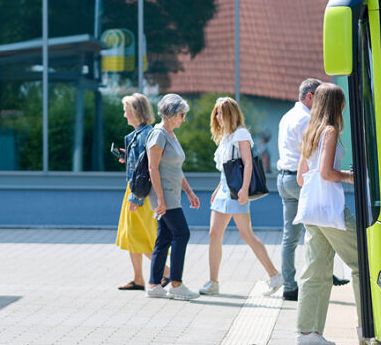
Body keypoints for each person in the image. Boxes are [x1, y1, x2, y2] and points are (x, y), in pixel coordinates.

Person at [294, 83, 362, 345]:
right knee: (362, 262)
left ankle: (307, 332)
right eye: (342, 103)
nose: (344, 107)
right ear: (336, 105)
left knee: (316, 270)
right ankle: (367, 324)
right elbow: (326, 173)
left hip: (311, 210)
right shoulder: (330, 131)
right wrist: (350, 176)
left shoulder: (310, 131)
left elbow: (301, 178)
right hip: (330, 209)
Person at [199, 97, 283, 297]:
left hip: (236, 192)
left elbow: (248, 162)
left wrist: (244, 189)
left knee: (246, 234)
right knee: (213, 234)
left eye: (221, 113)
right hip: (224, 189)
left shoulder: (240, 134)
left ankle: (275, 276)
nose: (217, 117)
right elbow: (227, 169)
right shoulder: (226, 137)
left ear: (231, 114)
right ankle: (213, 282)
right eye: (216, 113)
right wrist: (217, 189)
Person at [277, 78, 349, 300]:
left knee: (290, 236)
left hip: (284, 178)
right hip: (305, 180)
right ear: (310, 96)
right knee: (318, 230)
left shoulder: (287, 116)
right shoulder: (309, 120)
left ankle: (289, 285)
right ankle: (322, 272)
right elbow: (316, 161)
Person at [146, 93, 202, 300]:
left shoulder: (171, 135)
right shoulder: (158, 135)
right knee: (182, 233)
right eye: (181, 115)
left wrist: (189, 191)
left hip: (173, 192)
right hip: (164, 194)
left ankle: (154, 285)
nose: (183, 119)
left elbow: (176, 168)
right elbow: (153, 168)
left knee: (165, 237)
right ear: (170, 115)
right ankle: (176, 284)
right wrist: (160, 199)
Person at [114, 93, 168, 290]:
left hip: (140, 192)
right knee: (131, 235)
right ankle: (138, 279)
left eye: (126, 110)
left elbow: (147, 170)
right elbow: (140, 165)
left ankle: (167, 272)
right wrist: (127, 157)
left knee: (140, 236)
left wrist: (136, 197)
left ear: (135, 111)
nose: (124, 114)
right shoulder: (135, 135)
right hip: (134, 189)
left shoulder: (146, 135)